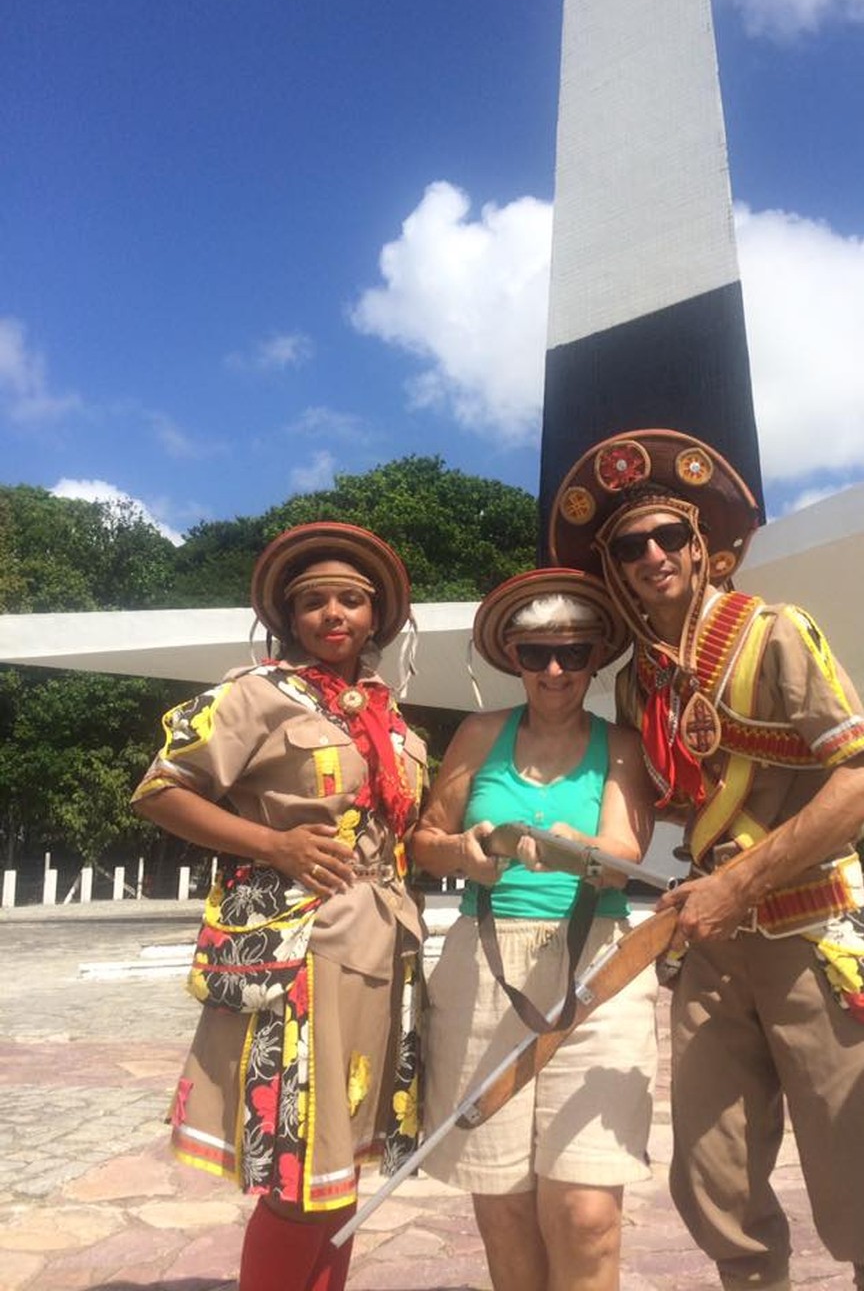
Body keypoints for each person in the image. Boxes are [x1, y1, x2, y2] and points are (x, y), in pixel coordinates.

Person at [549, 430, 864, 1291]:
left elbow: (861, 783)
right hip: (710, 949)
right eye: (631, 546)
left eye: (670, 537)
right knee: (714, 1177)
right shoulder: (637, 683)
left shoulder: (776, 632)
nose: (654, 555)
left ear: (705, 546)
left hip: (811, 929)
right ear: (618, 567)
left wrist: (738, 879)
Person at [132, 521, 428, 1291]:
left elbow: (409, 834)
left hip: (384, 952)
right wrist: (274, 845)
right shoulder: (255, 694)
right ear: (288, 620)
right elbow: (161, 792)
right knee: (300, 1177)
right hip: (304, 951)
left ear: (376, 618)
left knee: (343, 1175)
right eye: (315, 602)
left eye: (352, 601)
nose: (335, 615)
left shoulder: (390, 721)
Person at [412, 567, 658, 1291]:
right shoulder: (480, 732)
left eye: (574, 653)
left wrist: (565, 849)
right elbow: (427, 837)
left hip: (594, 968)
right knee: (505, 1203)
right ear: (513, 658)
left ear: (594, 661)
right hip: (484, 968)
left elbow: (625, 855)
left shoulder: (620, 746)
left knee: (585, 1210)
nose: (555, 669)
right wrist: (469, 851)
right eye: (537, 654)